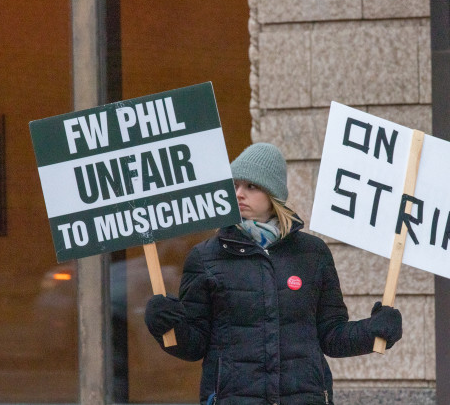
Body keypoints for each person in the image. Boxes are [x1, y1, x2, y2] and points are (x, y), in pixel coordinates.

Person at [144, 142, 402, 405]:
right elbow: (193, 346)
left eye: (251, 186)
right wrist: (166, 324)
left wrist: (374, 332)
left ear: (273, 194)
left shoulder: (313, 254)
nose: (239, 194)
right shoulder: (206, 257)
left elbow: (331, 336)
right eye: (235, 185)